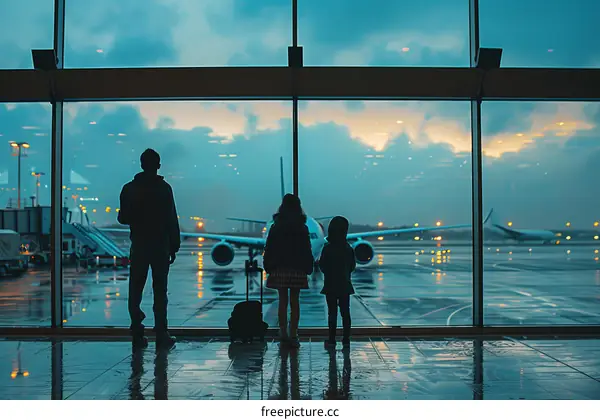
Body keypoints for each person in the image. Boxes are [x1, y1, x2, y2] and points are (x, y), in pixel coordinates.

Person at [118, 148, 180, 349]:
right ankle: (161, 334)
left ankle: (137, 332)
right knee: (160, 291)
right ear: (158, 166)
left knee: (135, 290)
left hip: (139, 245)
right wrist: (174, 245)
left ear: (141, 164)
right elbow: (172, 219)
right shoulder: (164, 189)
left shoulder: (129, 189)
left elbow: (122, 218)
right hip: (160, 246)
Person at [263, 194, 313, 348]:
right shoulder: (302, 227)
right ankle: (294, 334)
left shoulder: (276, 227)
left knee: (282, 302)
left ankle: (283, 333)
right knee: (295, 302)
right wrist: (308, 266)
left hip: (280, 268)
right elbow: (306, 250)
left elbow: (269, 248)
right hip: (297, 269)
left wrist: (268, 265)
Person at [319, 216, 355, 348]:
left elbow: (322, 266)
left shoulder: (327, 248)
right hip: (345, 284)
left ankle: (332, 339)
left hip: (330, 285)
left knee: (332, 313)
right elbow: (352, 266)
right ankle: (346, 339)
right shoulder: (348, 248)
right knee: (346, 313)